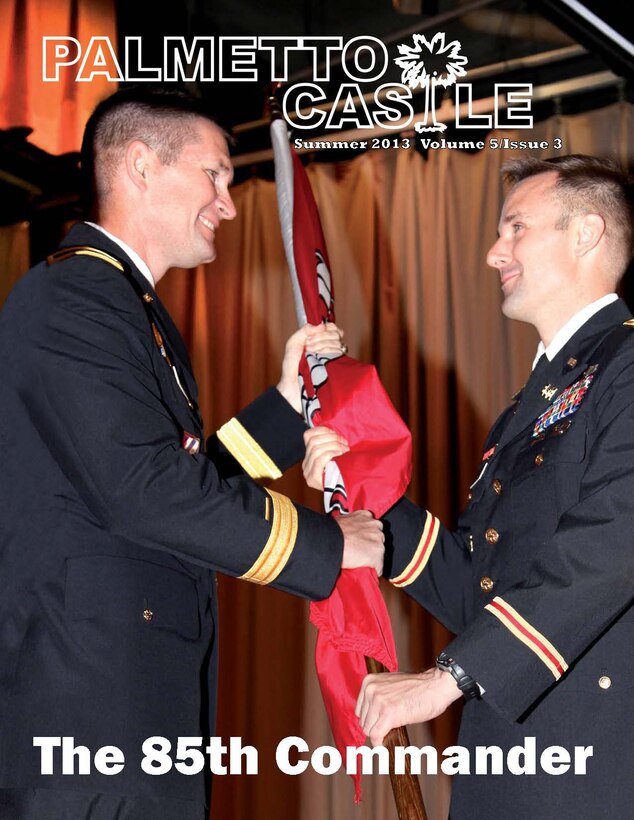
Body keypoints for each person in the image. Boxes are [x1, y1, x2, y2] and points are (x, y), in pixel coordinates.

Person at [0, 87, 384, 820]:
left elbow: (169, 478)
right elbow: (143, 490)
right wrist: (328, 546)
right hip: (86, 717)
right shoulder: (74, 298)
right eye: (214, 175)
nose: (229, 204)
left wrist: (284, 410)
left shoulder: (125, 308)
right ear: (141, 166)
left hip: (123, 708)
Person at [304, 154, 634, 819]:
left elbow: (612, 548)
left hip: (592, 764)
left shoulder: (626, 367)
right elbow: (481, 588)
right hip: (511, 756)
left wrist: (449, 676)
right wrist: (372, 508)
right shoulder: (532, 404)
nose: (493, 252)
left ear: (585, 233)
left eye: (515, 228)